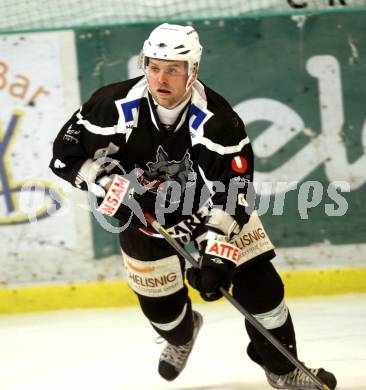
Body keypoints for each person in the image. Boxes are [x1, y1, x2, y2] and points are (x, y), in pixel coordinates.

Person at [49, 23, 337, 389]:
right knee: (165, 316)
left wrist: (217, 254)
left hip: (207, 210)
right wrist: (106, 185)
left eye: (173, 69)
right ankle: (182, 336)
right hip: (142, 220)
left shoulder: (220, 122)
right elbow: (64, 157)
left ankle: (283, 370)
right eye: (154, 67)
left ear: (192, 71)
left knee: (260, 287)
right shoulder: (110, 106)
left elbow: (234, 193)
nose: (161, 78)